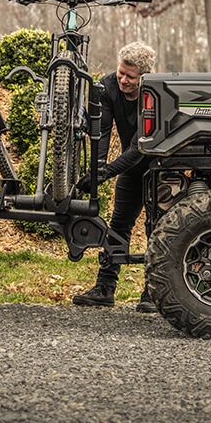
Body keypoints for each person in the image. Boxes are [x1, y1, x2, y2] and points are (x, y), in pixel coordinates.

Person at [72, 41, 158, 312]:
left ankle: (153, 292)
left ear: (143, 76)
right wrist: (96, 171)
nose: (123, 79)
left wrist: (107, 172)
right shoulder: (107, 86)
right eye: (121, 72)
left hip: (159, 167)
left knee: (158, 227)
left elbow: (139, 146)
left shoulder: (155, 92)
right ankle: (105, 288)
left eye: (130, 77)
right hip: (131, 169)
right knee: (119, 225)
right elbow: (101, 132)